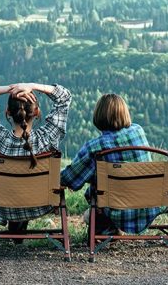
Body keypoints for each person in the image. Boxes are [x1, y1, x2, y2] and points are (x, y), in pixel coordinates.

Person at [0, 80, 72, 235]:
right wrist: (32, 86)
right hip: (41, 206)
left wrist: (9, 88)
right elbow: (64, 97)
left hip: (2, 206)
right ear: (37, 113)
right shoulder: (48, 138)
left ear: (8, 112)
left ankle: (12, 222)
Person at [60, 93, 161, 235]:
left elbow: (68, 179)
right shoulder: (138, 131)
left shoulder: (94, 148)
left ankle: (108, 228)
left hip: (116, 211)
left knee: (88, 216)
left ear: (98, 116)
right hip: (147, 206)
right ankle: (111, 229)